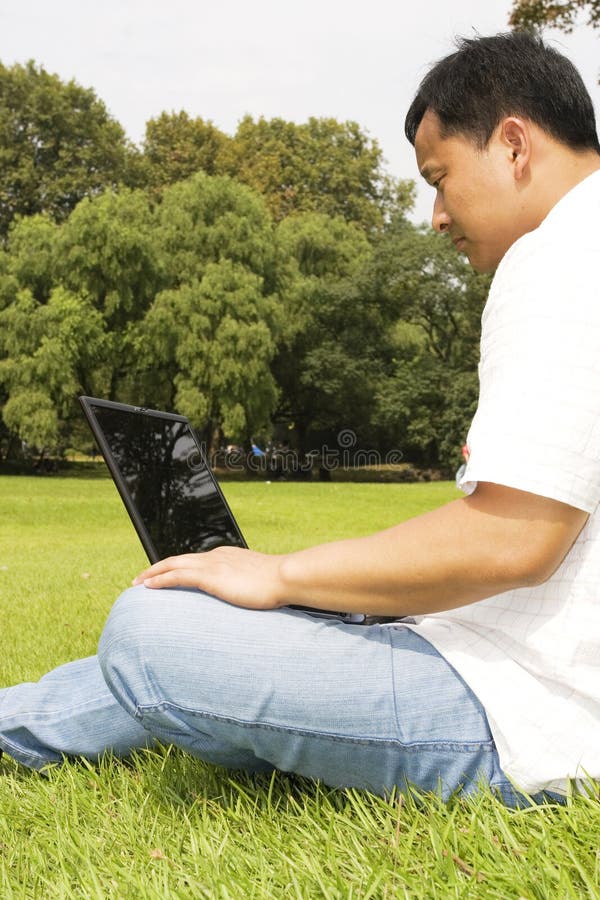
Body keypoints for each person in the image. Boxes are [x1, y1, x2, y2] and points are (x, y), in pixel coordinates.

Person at [1, 31, 599, 804]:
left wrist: (283, 576)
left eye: (441, 178)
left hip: (532, 714)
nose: (436, 215)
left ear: (514, 144)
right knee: (214, 610)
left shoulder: (558, 261)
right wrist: (318, 589)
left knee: (151, 629)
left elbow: (514, 538)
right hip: (503, 659)